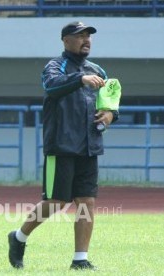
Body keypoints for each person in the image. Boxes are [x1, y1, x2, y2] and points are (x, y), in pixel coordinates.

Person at [7, 21, 119, 270]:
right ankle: (18, 237)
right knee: (56, 202)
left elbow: (110, 99)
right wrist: (81, 79)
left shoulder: (98, 70)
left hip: (89, 146)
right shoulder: (55, 66)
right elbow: (51, 86)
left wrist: (111, 114)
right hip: (61, 146)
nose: (86, 39)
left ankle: (80, 259)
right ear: (66, 40)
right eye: (80, 35)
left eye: (89, 35)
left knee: (86, 202)